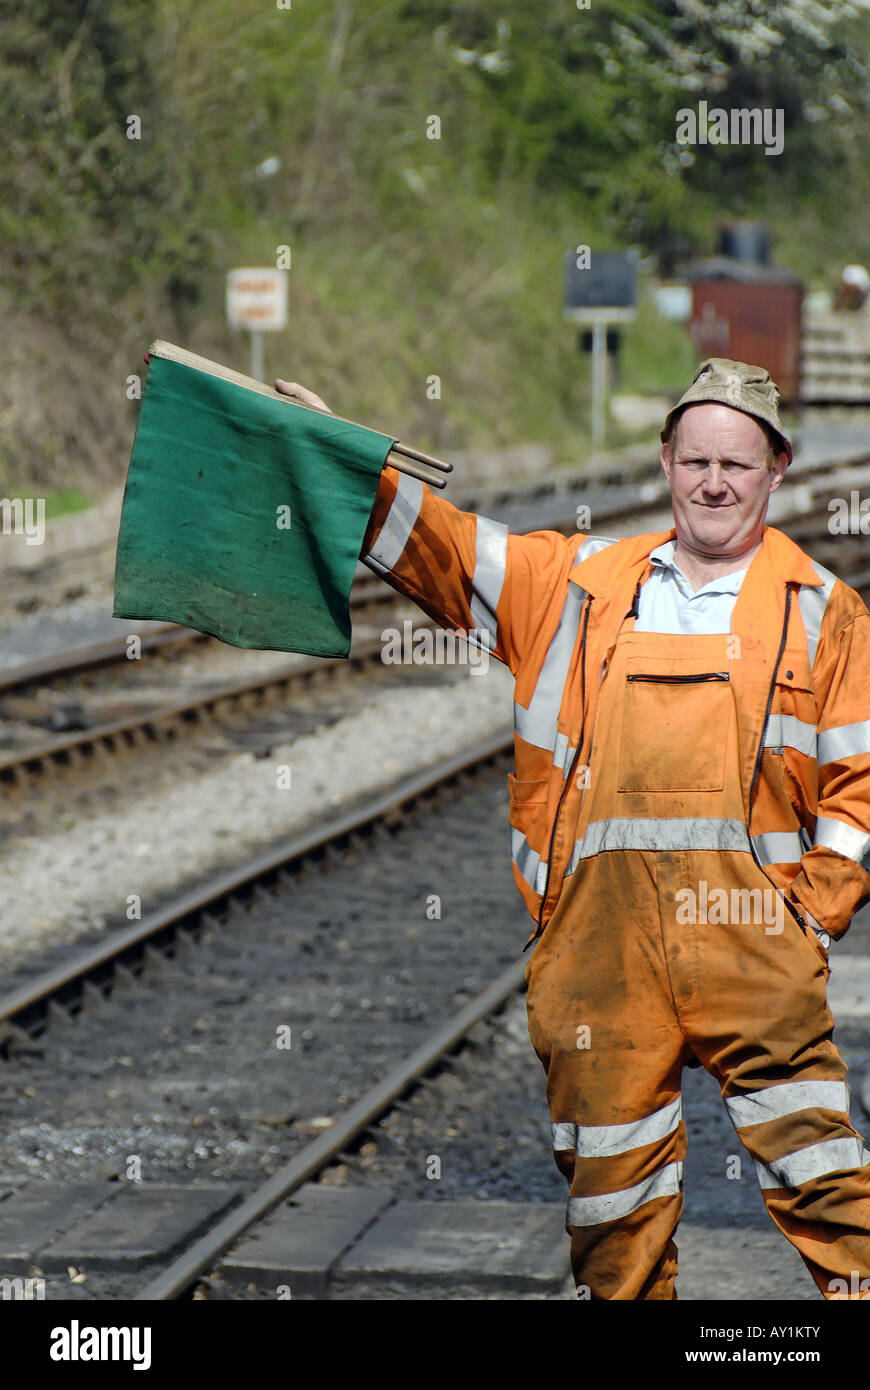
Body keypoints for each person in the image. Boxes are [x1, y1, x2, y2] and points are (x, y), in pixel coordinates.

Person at [275, 357, 870, 1300]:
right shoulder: (579, 585)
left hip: (756, 942)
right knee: (611, 1200)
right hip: (600, 951)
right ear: (665, 461)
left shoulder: (823, 613)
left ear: (778, 471)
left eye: (738, 466)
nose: (714, 484)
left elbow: (858, 785)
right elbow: (445, 549)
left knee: (825, 1179)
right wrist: (338, 452)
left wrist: (813, 915)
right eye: (696, 461)